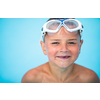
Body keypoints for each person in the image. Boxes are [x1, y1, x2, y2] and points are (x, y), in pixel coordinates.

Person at [21, 18, 99, 83]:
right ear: (44, 47)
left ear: (80, 46)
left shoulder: (90, 79)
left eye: (71, 42)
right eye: (55, 43)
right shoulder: (32, 79)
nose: (64, 49)